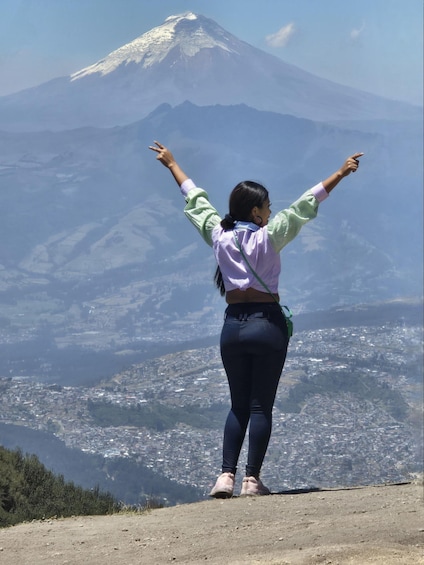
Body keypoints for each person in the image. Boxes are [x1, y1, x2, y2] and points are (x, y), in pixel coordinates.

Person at [149, 140, 363, 498]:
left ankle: (224, 477)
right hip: (267, 325)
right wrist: (340, 173)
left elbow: (196, 200)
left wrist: (172, 164)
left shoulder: (220, 236)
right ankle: (251, 480)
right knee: (261, 405)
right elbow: (306, 204)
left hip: (232, 326)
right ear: (256, 212)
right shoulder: (270, 236)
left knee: (237, 405)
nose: (271, 211)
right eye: (267, 207)